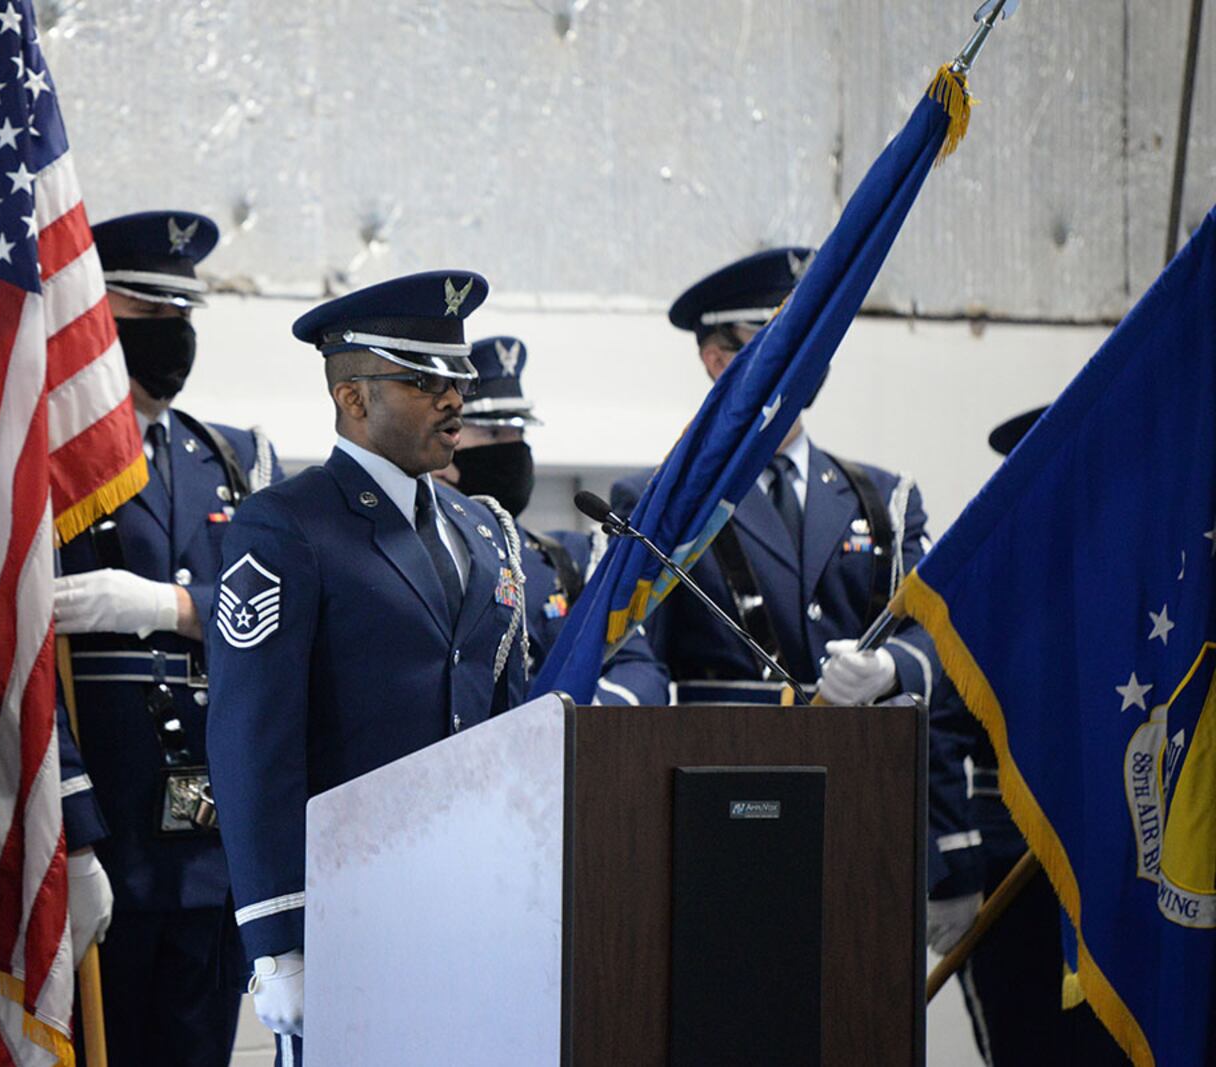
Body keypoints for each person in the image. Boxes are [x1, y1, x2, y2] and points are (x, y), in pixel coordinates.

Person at [206, 270, 529, 1065]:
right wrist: (278, 941)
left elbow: (511, 717)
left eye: (456, 379)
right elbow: (254, 742)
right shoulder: (288, 524)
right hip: (352, 908)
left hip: (477, 903)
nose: (455, 398)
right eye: (424, 381)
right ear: (353, 397)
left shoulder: (480, 528)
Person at [52, 210, 281, 1065]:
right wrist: (72, 827)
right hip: (109, 825)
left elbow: (283, 615)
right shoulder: (50, 458)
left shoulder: (229, 457)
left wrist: (170, 608)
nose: (173, 334)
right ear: (95, 316)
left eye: (184, 314)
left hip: (212, 832)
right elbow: (23, 672)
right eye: (149, 312)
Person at [610, 248, 938, 708]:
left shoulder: (885, 500)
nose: (809, 354)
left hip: (867, 764)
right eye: (787, 338)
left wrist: (891, 667)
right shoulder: (664, 502)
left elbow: (936, 624)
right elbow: (638, 659)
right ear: (719, 361)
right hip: (728, 765)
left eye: (817, 335)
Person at [927, 406, 1128, 1065]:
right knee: (1022, 1042)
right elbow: (937, 729)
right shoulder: (989, 596)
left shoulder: (1151, 585)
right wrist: (952, 870)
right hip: (1013, 865)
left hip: (1123, 867)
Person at [437, 334, 669, 705]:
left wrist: (575, 716)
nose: (514, 448)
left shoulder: (571, 558)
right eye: (495, 432)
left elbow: (639, 669)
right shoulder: (427, 560)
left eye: (520, 432)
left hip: (576, 749)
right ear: (446, 446)